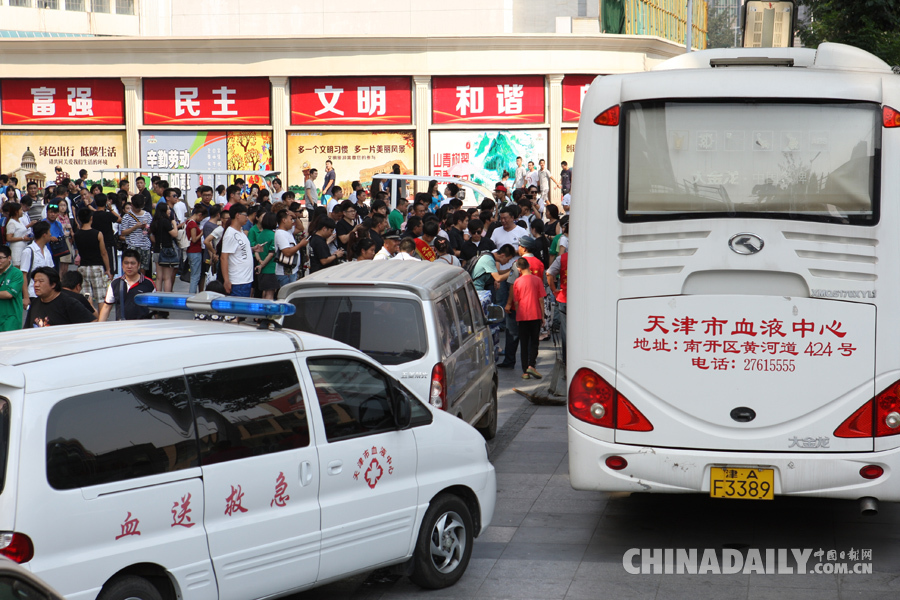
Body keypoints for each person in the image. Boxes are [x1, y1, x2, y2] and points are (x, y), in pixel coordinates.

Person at [506, 257, 545, 380]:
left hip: (522, 316)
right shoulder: (537, 280)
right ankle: (531, 365)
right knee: (534, 342)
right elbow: (541, 300)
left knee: (523, 343)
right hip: (535, 314)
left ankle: (525, 372)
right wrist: (543, 316)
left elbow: (516, 302)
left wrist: (518, 315)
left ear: (519, 269)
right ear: (528, 266)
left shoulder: (517, 282)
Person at [25, 267, 94, 328]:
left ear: (53, 284)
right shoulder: (35, 303)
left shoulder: (68, 303)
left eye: (41, 281)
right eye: (35, 281)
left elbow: (93, 322)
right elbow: (27, 328)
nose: (36, 285)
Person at [99, 249, 156, 321]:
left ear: (138, 265)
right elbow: (106, 307)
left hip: (142, 327)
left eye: (133, 263)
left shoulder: (148, 284)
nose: (129, 266)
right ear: (122, 265)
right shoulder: (115, 284)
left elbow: (155, 309)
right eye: (126, 263)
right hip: (122, 327)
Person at [74, 209, 111, 309]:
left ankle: (90, 318)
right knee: (100, 296)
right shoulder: (98, 234)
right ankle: (101, 320)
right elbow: (103, 253)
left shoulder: (76, 235)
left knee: (86, 295)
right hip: (96, 267)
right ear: (91, 218)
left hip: (83, 267)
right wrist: (108, 269)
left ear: (79, 219)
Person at [220, 204, 254, 297]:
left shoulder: (241, 231)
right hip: (237, 281)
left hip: (246, 279)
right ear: (237, 215)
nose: (247, 217)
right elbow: (224, 257)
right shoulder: (230, 233)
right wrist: (226, 280)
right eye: (245, 215)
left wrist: (253, 249)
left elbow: (239, 249)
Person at [20, 221, 54, 309]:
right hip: (33, 293)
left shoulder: (47, 251)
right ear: (44, 234)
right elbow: (24, 275)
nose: (50, 234)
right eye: (49, 232)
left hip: (47, 293)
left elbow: (51, 272)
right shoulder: (28, 251)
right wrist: (26, 297)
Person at [150, 201, 179, 293]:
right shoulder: (166, 221)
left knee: (159, 277)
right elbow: (175, 234)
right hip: (166, 251)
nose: (169, 211)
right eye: (167, 209)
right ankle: (167, 296)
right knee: (167, 278)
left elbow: (152, 237)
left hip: (157, 250)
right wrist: (174, 223)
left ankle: (158, 295)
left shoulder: (154, 222)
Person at [120, 195, 153, 274]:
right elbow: (123, 232)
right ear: (132, 205)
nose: (138, 209)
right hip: (133, 246)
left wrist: (146, 227)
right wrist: (135, 227)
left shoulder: (147, 215)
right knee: (132, 270)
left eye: (140, 207)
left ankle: (140, 285)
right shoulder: (127, 217)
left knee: (143, 269)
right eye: (136, 207)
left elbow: (151, 231)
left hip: (145, 246)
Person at [274, 209, 306, 287]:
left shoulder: (288, 231)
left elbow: (300, 228)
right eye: (290, 219)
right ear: (284, 220)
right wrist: (300, 244)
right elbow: (287, 252)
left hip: (292, 272)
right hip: (286, 274)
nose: (292, 222)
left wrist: (295, 217)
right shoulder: (280, 234)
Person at [547, 252, 568, 363]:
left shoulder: (562, 258)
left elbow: (549, 273)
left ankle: (566, 361)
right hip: (583, 301)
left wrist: (554, 290)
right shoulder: (589, 256)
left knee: (565, 333)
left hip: (565, 299)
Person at [254, 211, 278, 300]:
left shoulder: (260, 234)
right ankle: (268, 313)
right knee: (270, 294)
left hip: (261, 270)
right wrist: (262, 264)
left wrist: (259, 261)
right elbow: (271, 254)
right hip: (270, 269)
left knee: (264, 293)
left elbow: (256, 250)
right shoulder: (273, 235)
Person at [0, 246, 24, 332]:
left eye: (1, 258)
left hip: (11, 318)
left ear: (9, 258)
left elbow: (9, 294)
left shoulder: (16, 273)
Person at [185, 205, 206, 294]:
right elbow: (194, 239)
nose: (201, 220)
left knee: (194, 274)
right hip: (195, 250)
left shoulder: (187, 221)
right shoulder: (192, 224)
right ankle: (192, 294)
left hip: (191, 251)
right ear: (199, 215)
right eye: (202, 218)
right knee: (195, 276)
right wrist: (201, 233)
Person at [5, 203, 29, 269]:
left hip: (23, 247)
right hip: (16, 249)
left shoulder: (19, 221)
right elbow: (9, 238)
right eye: (21, 210)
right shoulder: (12, 223)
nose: (22, 212)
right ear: (16, 212)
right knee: (18, 268)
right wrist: (22, 238)